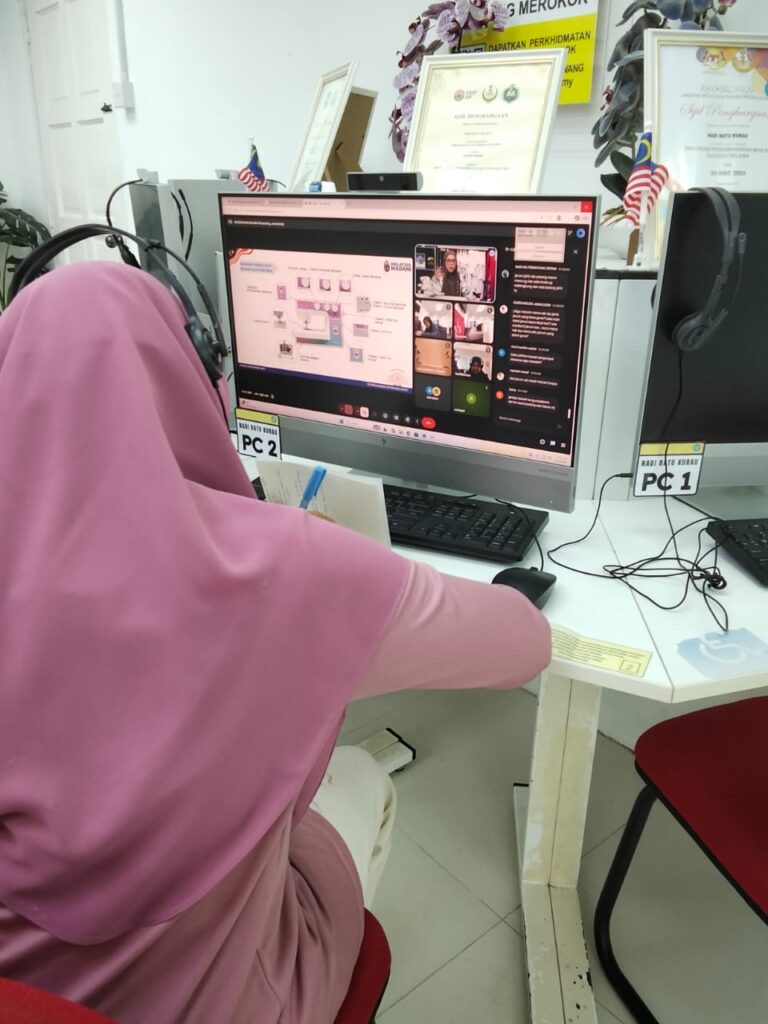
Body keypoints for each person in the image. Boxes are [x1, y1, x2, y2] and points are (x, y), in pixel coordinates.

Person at [0, 261, 550, 1024]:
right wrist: (356, 576)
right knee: (360, 780)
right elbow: (523, 646)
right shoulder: (286, 568)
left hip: (23, 984)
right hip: (210, 1002)